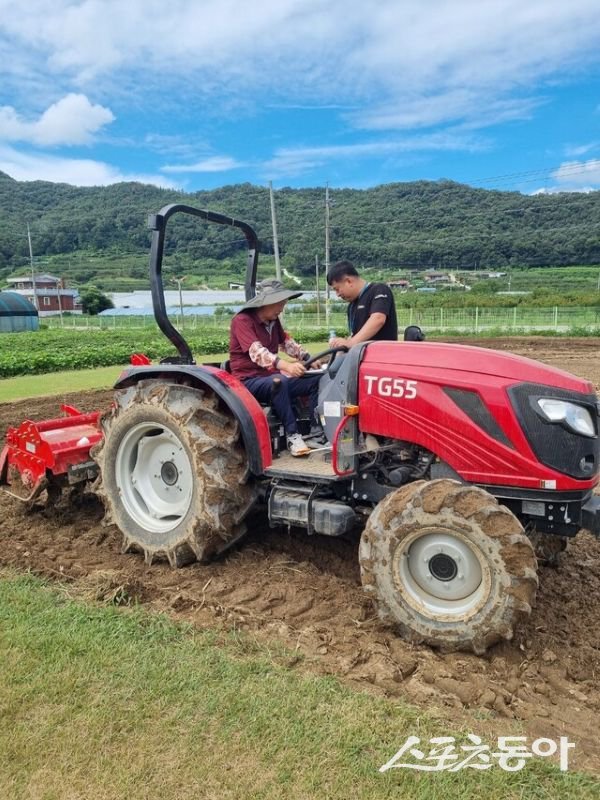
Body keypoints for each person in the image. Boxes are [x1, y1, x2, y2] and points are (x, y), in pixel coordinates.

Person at [229, 279, 323, 457]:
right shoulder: (242, 320)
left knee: (316, 380)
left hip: (269, 375)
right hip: (248, 380)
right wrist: (287, 365)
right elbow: (257, 352)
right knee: (279, 382)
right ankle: (293, 436)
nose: (282, 307)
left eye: (284, 303)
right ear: (265, 302)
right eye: (280, 303)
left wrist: (308, 358)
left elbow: (286, 343)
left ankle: (316, 430)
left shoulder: (273, 321)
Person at [326, 261, 398, 348]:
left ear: (348, 281)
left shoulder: (379, 290)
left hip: (381, 356)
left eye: (337, 289)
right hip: (359, 356)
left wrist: (351, 343)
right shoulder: (352, 305)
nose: (337, 294)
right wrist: (343, 343)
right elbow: (355, 335)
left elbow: (378, 318)